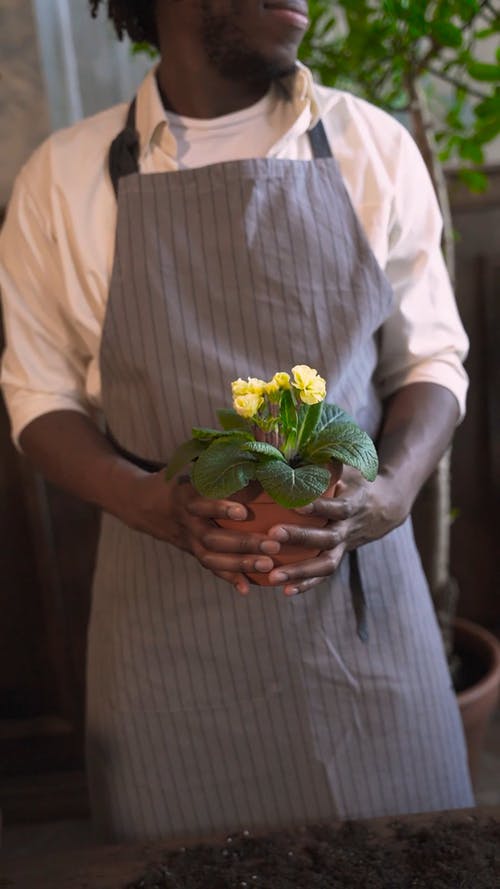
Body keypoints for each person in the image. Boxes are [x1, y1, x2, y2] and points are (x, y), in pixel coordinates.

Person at [0, 0, 474, 842]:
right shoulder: (61, 179)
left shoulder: (370, 146)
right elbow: (39, 399)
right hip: (163, 617)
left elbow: (430, 362)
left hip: (364, 603)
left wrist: (391, 493)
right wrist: (150, 501)